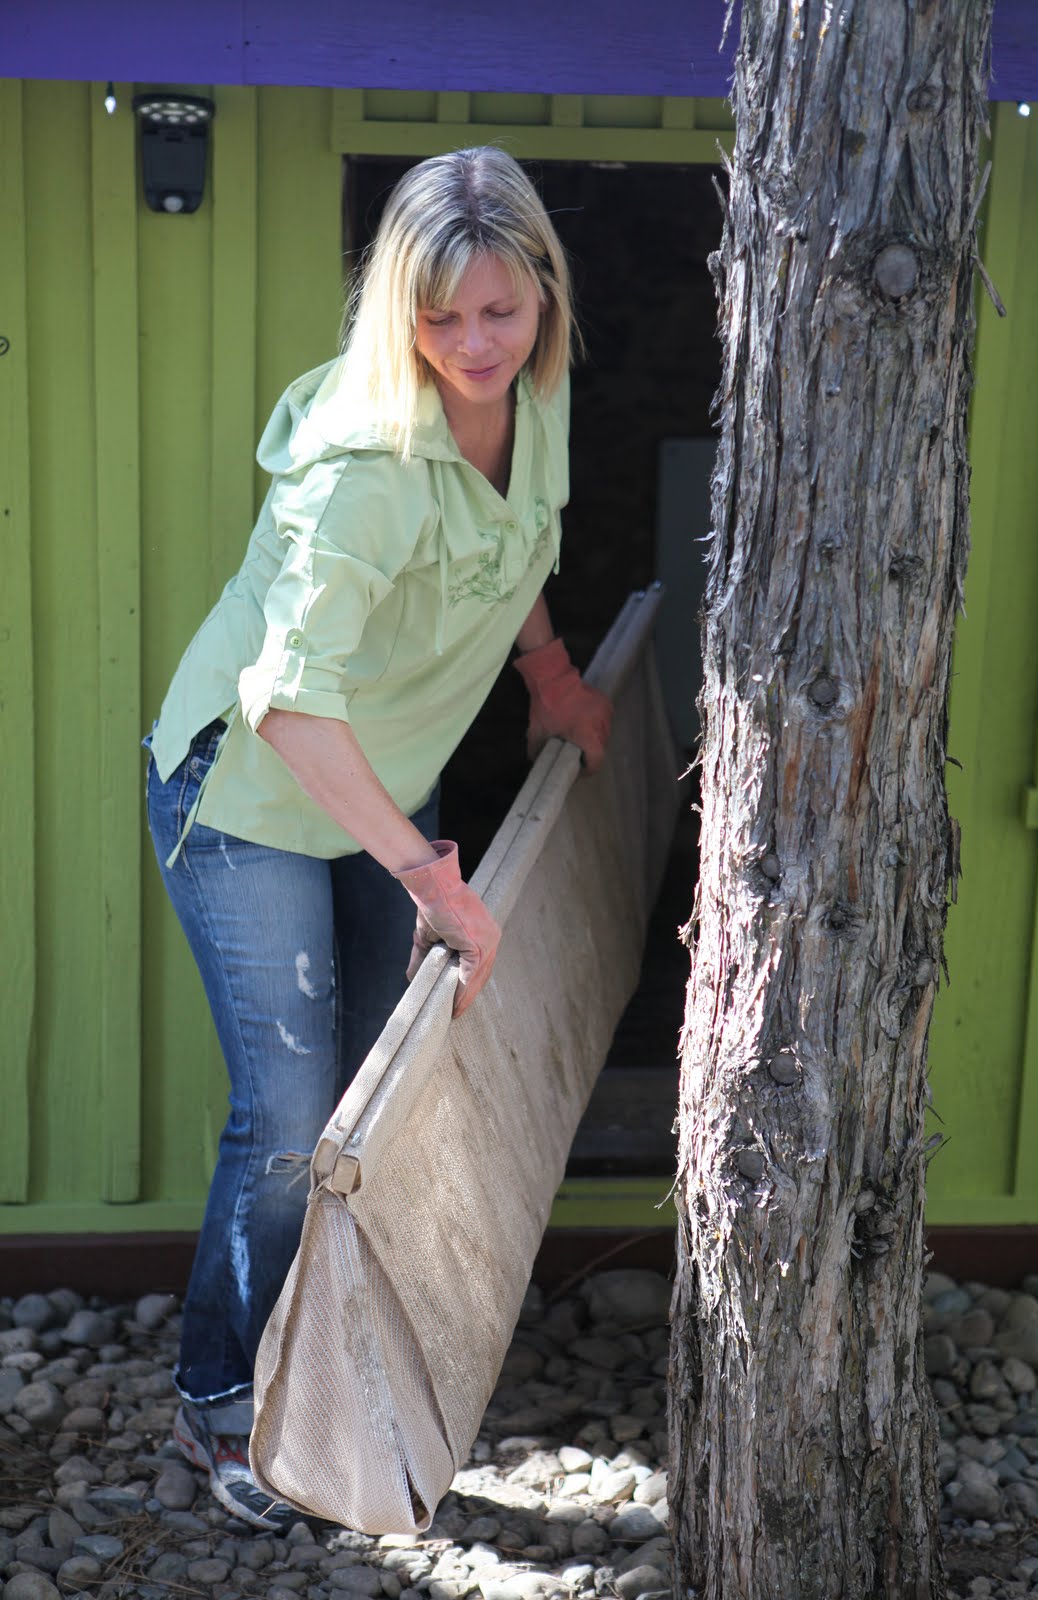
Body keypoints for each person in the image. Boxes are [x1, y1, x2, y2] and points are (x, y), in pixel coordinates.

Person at [144, 146, 612, 1530]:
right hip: (249, 792)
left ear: (544, 302)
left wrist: (550, 674)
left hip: (372, 788)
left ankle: (330, 1366)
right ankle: (218, 1405)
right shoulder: (364, 470)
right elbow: (285, 700)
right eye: (438, 317)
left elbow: (515, 548)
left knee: (371, 1090)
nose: (473, 346)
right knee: (291, 1118)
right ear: (394, 313)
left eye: (501, 314)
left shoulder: (541, 399)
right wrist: (426, 873)